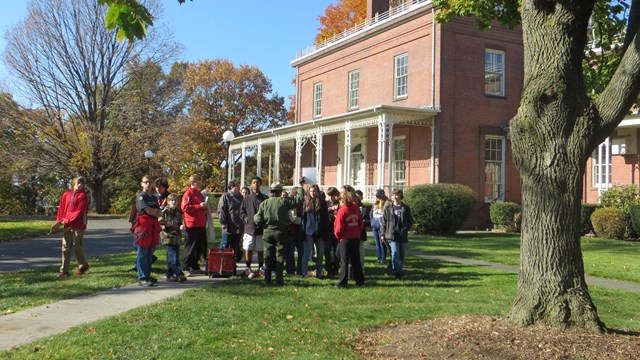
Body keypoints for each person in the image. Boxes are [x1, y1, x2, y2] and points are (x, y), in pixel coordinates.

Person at [254, 181, 304, 286]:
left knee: (267, 256)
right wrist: (300, 187)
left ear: (271, 192)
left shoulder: (264, 203)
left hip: (267, 232)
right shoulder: (284, 202)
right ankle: (279, 280)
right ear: (280, 191)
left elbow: (257, 218)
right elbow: (299, 199)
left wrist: (263, 225)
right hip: (281, 232)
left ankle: (267, 280)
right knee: (280, 256)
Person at [53, 176, 90, 278]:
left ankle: (83, 265)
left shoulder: (82, 196)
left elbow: (79, 212)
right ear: (73, 183)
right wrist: (59, 221)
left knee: (77, 247)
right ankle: (64, 271)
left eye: (82, 184)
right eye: (78, 183)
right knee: (65, 248)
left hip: (78, 226)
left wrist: (67, 220)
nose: (80, 185)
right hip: (67, 225)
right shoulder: (66, 194)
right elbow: (61, 210)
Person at [132, 175, 162, 286]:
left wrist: (153, 211)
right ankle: (142, 277)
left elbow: (159, 213)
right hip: (143, 227)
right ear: (142, 184)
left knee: (150, 253)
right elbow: (147, 210)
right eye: (146, 182)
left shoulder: (154, 198)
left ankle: (147, 275)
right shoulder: (141, 197)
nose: (148, 184)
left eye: (150, 182)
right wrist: (153, 211)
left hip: (153, 227)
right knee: (142, 253)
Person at [380, 188, 414, 279]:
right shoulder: (388, 208)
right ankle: (397, 272)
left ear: (400, 196)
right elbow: (383, 222)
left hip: (402, 235)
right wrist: (382, 234)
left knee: (401, 254)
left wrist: (405, 227)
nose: (395, 197)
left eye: (397, 195)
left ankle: (394, 268)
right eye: (394, 195)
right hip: (391, 235)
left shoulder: (405, 208)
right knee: (395, 253)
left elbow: (410, 221)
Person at [334, 190, 364, 288]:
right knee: (356, 260)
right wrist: (357, 231)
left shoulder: (342, 211)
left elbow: (339, 227)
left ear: (342, 200)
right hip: (355, 237)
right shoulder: (355, 208)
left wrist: (338, 236)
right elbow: (360, 223)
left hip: (345, 238)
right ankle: (360, 281)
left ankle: (342, 282)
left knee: (344, 261)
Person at [240, 176, 269, 278]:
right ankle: (248, 267)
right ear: (251, 184)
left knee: (261, 249)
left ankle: (261, 268)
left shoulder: (265, 198)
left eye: (257, 182)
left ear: (260, 184)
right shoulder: (247, 199)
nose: (256, 184)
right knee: (248, 248)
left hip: (261, 228)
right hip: (249, 228)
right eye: (253, 182)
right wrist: (246, 219)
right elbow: (241, 212)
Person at [181, 174, 208, 276]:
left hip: (201, 223)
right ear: (192, 183)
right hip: (191, 223)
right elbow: (185, 207)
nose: (200, 184)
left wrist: (204, 206)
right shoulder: (188, 194)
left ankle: (195, 265)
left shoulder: (199, 194)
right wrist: (199, 206)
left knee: (199, 246)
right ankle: (185, 266)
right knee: (190, 246)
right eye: (198, 183)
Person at [300, 184, 329, 279]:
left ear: (318, 192)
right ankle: (304, 273)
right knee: (307, 253)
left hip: (320, 232)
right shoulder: (306, 203)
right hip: (309, 232)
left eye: (315, 191)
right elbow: (303, 219)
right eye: (311, 191)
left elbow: (325, 218)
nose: (313, 193)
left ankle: (319, 273)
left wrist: (325, 232)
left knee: (320, 254)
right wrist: (303, 232)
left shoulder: (323, 203)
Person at [159, 193, 187, 283]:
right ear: (168, 202)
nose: (174, 202)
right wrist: (167, 225)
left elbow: (180, 222)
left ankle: (169, 274)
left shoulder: (179, 212)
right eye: (172, 200)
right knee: (173, 257)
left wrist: (181, 226)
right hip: (168, 237)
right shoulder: (165, 211)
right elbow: (159, 223)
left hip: (176, 237)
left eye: (175, 200)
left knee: (174, 257)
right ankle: (180, 274)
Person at [218, 179, 244, 262]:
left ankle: (230, 263)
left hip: (238, 226)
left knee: (234, 246)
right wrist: (223, 222)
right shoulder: (225, 196)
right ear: (232, 187)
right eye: (237, 186)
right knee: (225, 244)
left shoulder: (240, 197)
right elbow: (221, 210)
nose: (239, 188)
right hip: (228, 226)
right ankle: (220, 262)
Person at [324, 187, 340, 277]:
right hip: (328, 230)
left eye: (332, 196)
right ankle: (328, 269)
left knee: (336, 252)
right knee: (327, 251)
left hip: (336, 231)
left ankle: (335, 269)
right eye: (329, 196)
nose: (331, 198)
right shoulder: (326, 203)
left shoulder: (339, 204)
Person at [370, 189, 389, 265]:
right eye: (377, 196)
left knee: (382, 243)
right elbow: (371, 213)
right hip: (375, 226)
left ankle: (383, 258)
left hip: (382, 227)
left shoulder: (386, 204)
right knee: (377, 243)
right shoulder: (374, 204)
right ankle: (378, 257)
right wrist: (372, 222)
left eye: (379, 196)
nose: (378, 197)